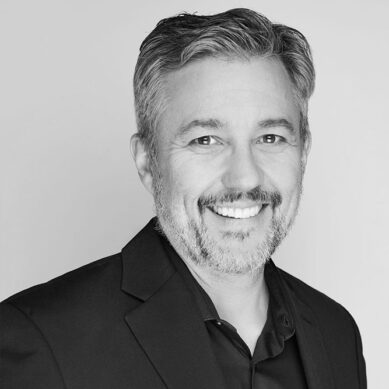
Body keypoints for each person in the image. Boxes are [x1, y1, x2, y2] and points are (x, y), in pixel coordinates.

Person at [0, 8, 367, 389]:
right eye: (205, 140)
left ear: (303, 153)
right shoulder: (40, 339)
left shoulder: (336, 332)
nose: (245, 176)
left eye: (270, 137)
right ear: (147, 161)